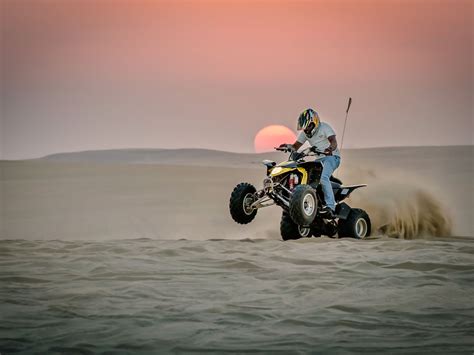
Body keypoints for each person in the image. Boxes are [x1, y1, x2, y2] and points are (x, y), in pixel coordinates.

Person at [280, 108, 340, 218]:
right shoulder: (305, 133)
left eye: (308, 126)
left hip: (332, 157)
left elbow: (333, 141)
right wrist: (288, 146)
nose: (306, 129)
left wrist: (330, 148)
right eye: (304, 127)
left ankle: (331, 207)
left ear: (314, 123)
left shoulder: (324, 127)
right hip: (318, 160)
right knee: (310, 180)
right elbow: (296, 146)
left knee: (323, 178)